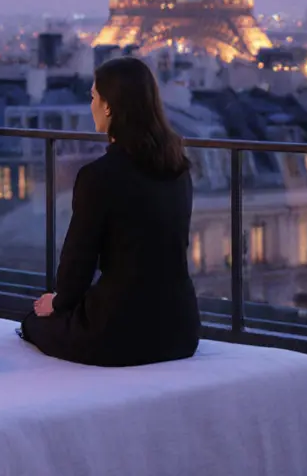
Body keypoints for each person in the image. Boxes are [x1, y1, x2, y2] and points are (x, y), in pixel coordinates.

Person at [20, 57, 200, 367]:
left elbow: (79, 258)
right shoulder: (178, 169)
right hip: (180, 330)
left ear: (108, 106)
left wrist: (59, 303)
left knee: (32, 323)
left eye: (93, 96)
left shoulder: (99, 176)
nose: (90, 105)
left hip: (120, 330)